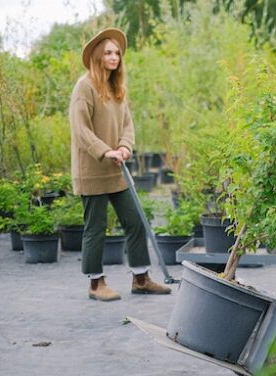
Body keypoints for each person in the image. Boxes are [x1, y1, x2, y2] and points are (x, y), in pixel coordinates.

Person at [69, 28, 171, 301]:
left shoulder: (118, 89)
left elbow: (127, 124)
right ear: (97, 56)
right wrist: (105, 152)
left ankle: (141, 278)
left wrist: (125, 146)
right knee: (96, 227)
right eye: (108, 53)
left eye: (117, 53)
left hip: (117, 170)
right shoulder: (85, 87)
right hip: (92, 170)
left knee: (135, 220)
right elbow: (81, 131)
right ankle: (95, 284)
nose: (114, 57)